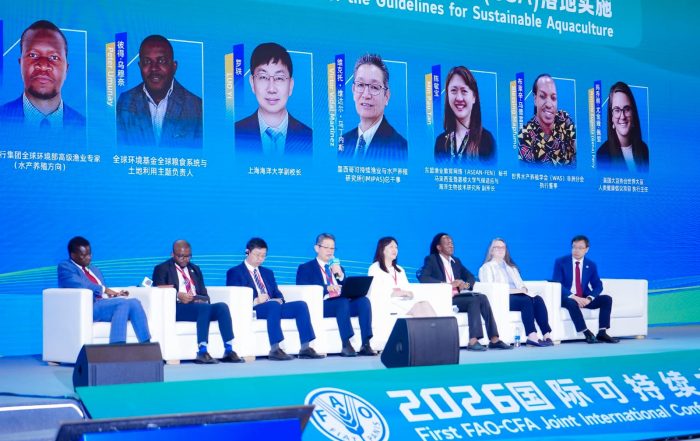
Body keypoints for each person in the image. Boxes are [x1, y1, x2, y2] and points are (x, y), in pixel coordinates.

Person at [226, 238, 324, 360]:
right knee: (273, 306)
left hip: (273, 307)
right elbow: (236, 297)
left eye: (263, 256)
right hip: (254, 309)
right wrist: (256, 300)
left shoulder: (267, 273)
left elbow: (277, 293)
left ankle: (305, 348)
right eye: (257, 255)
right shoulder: (235, 272)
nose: (260, 259)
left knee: (300, 305)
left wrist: (279, 300)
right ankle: (275, 349)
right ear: (247, 252)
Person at [152, 240, 243, 363]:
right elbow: (158, 292)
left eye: (188, 256)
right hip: (178, 307)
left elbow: (204, 293)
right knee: (204, 308)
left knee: (222, 307)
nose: (184, 259)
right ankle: (202, 351)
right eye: (180, 256)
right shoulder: (162, 269)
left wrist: (201, 299)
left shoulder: (195, 269)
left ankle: (229, 350)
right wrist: (177, 295)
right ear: (172, 254)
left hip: (197, 306)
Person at [418, 233, 511, 351]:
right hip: (444, 298)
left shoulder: (456, 261)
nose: (451, 245)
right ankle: (473, 341)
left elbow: (470, 277)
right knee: (473, 300)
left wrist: (465, 285)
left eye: (452, 243)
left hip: (457, 298)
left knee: (482, 297)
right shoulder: (432, 260)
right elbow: (423, 277)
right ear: (439, 247)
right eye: (447, 243)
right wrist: (448, 285)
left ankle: (494, 339)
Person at [0, 20, 85, 146]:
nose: (43, 65)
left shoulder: (85, 127)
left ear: (66, 68)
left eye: (54, 57)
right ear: (20, 63)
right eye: (33, 55)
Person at [57, 236, 150, 344]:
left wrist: (114, 295)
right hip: (88, 307)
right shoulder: (65, 267)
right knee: (122, 303)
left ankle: (147, 345)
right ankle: (117, 346)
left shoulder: (94, 269)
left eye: (90, 254)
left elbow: (102, 291)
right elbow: (81, 285)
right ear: (73, 255)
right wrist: (105, 290)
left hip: (103, 304)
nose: (89, 258)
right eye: (84, 255)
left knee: (134, 302)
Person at [296, 233, 377, 357]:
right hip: (322, 305)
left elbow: (347, 288)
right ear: (317, 248)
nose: (330, 251)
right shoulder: (306, 268)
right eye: (326, 247)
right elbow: (302, 288)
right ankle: (346, 344)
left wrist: (340, 275)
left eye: (332, 248)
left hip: (342, 304)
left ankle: (365, 344)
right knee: (342, 302)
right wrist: (326, 288)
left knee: (363, 301)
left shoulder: (338, 268)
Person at [116, 35, 203, 148]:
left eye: (161, 61)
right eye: (147, 61)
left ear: (174, 67)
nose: (154, 68)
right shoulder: (124, 102)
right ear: (140, 66)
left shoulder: (196, 106)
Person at [235, 42, 312, 156]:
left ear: (291, 86)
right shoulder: (234, 134)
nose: (271, 89)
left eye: (279, 78)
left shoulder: (310, 138)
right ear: (252, 83)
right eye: (263, 77)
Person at [478, 238, 553, 347]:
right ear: (491, 251)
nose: (500, 250)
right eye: (497, 247)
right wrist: (516, 291)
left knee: (538, 299)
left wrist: (523, 289)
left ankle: (547, 334)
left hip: (518, 296)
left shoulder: (511, 268)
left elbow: (521, 284)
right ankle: (532, 336)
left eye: (503, 247)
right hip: (502, 298)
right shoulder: (486, 268)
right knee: (526, 301)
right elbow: (490, 289)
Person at [552, 235, 620, 344]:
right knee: (571, 302)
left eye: (580, 248)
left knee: (606, 299)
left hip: (584, 297)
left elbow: (598, 285)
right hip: (566, 297)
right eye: (574, 247)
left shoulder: (591, 265)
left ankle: (602, 332)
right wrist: (574, 297)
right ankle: (586, 332)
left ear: (587, 249)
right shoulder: (561, 262)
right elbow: (557, 283)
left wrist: (589, 298)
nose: (576, 250)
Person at [340, 54, 407, 162]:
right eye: (360, 85)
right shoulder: (342, 142)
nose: (366, 95)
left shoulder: (401, 149)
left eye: (374, 87)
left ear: (386, 96)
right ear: (353, 90)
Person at [434, 66, 495, 163]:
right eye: (453, 91)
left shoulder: (486, 140)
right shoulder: (440, 142)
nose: (459, 98)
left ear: (474, 97)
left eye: (464, 91)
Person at [368, 236, 435, 317]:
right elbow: (376, 292)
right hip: (386, 303)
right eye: (391, 247)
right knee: (419, 308)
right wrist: (395, 293)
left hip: (402, 302)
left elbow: (407, 288)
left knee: (424, 304)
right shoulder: (375, 268)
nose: (395, 250)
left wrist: (409, 293)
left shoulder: (400, 269)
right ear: (382, 249)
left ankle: (437, 325)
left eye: (396, 247)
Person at [518, 74, 576, 166]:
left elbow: (579, 147)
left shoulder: (563, 118)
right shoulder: (525, 136)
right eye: (542, 96)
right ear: (535, 99)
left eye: (553, 98)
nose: (549, 104)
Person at [596, 81, 649, 172]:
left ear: (633, 113)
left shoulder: (644, 149)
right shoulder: (602, 154)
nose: (622, 116)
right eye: (617, 110)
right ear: (611, 117)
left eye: (627, 109)